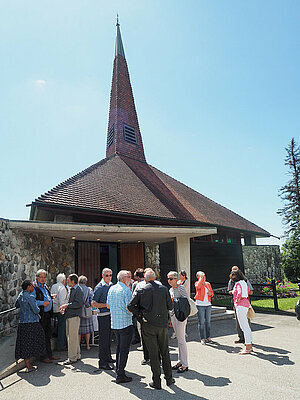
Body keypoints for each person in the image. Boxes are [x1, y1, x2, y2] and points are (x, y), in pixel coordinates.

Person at [128, 269, 175, 390]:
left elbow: (130, 306)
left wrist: (140, 315)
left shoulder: (142, 289)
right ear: (154, 277)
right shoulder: (164, 289)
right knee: (164, 351)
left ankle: (157, 381)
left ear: (145, 277)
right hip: (162, 324)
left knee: (153, 354)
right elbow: (170, 306)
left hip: (148, 324)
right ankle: (169, 379)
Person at [107, 270, 133, 384]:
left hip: (115, 323)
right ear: (124, 278)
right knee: (124, 350)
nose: (130, 279)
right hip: (125, 323)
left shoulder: (111, 288)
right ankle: (120, 374)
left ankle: (119, 371)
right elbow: (129, 307)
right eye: (128, 277)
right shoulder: (126, 290)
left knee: (119, 348)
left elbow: (108, 305)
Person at [15, 280, 46, 372]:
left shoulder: (21, 295)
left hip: (22, 322)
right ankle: (29, 365)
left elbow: (16, 305)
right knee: (38, 338)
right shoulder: (30, 297)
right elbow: (36, 310)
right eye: (32, 286)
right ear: (28, 287)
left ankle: (27, 363)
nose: (33, 288)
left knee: (24, 343)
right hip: (32, 322)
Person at [33, 269, 59, 362]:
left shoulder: (45, 286)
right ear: (37, 277)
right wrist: (42, 303)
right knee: (42, 336)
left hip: (48, 314)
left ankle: (49, 354)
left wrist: (50, 297)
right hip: (41, 315)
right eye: (41, 277)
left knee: (48, 335)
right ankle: (43, 356)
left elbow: (44, 297)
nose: (43, 279)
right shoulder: (34, 287)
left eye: (44, 277)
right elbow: (32, 301)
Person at [91, 268, 115, 370]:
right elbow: (93, 303)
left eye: (110, 275)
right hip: (103, 316)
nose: (109, 277)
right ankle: (102, 362)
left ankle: (108, 357)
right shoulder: (99, 287)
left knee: (109, 338)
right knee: (103, 339)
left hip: (111, 315)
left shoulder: (112, 285)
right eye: (107, 275)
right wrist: (106, 305)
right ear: (102, 276)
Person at [59, 274, 84, 364]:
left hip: (73, 316)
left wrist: (66, 305)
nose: (67, 282)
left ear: (73, 281)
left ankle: (72, 358)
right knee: (73, 337)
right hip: (70, 315)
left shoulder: (77, 290)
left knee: (71, 338)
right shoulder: (74, 289)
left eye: (69, 280)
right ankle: (76, 355)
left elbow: (78, 303)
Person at [167, 271, 189, 373]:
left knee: (181, 339)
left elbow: (186, 300)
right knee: (179, 340)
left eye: (171, 278)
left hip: (181, 315)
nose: (169, 281)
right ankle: (180, 361)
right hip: (173, 316)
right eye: (168, 279)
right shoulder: (170, 289)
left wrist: (174, 300)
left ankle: (185, 364)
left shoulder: (181, 288)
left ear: (176, 279)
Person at [228, 266, 253, 344]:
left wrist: (239, 295)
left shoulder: (243, 281)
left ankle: (248, 342)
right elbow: (229, 290)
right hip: (241, 303)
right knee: (240, 322)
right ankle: (242, 338)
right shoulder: (233, 281)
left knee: (245, 323)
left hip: (241, 304)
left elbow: (249, 291)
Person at [194, 271, 214, 345]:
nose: (204, 277)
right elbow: (198, 287)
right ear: (198, 277)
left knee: (208, 322)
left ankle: (208, 337)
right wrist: (200, 279)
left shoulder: (208, 284)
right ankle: (202, 338)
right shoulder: (197, 283)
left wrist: (210, 294)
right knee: (201, 322)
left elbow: (212, 293)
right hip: (200, 305)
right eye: (202, 276)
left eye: (204, 276)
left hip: (208, 305)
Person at [51, 273, 68, 351]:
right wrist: (63, 309)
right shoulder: (62, 288)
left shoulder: (53, 286)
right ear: (63, 280)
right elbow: (62, 301)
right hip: (60, 309)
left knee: (57, 325)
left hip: (53, 308)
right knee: (62, 327)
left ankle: (54, 335)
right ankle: (61, 346)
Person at [78, 275, 94, 350]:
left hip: (79, 310)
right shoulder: (89, 289)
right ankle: (88, 345)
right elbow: (91, 300)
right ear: (85, 282)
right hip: (87, 310)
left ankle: (78, 345)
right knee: (87, 330)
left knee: (79, 330)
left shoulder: (77, 289)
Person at [131, 268, 144, 345]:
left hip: (137, 307)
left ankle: (138, 338)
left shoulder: (136, 284)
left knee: (136, 325)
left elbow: (133, 295)